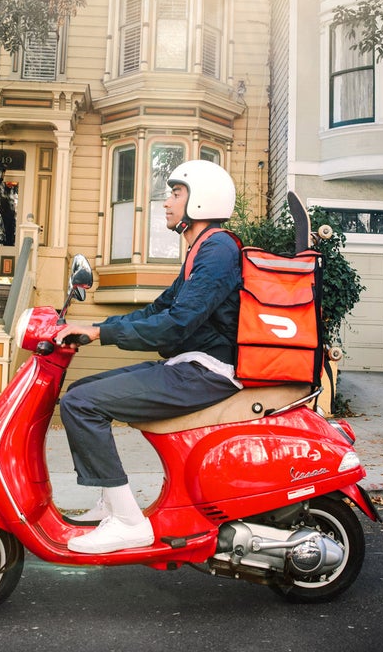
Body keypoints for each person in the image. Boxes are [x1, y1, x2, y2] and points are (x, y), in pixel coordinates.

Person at [53, 159, 243, 554]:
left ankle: (127, 522)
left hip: (208, 370)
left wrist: (102, 333)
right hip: (189, 364)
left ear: (202, 201)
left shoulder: (219, 249)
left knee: (81, 403)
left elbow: (177, 324)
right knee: (82, 390)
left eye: (176, 194)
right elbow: (158, 310)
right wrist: (94, 328)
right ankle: (112, 504)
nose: (166, 202)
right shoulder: (201, 250)